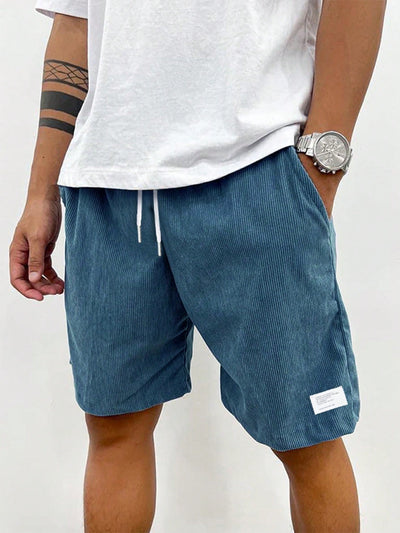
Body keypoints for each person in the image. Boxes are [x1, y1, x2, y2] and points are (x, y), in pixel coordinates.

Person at [9, 0, 386, 531]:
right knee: (113, 427)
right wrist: (40, 194)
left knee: (307, 433)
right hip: (107, 183)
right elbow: (75, 25)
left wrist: (321, 164)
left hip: (256, 166)